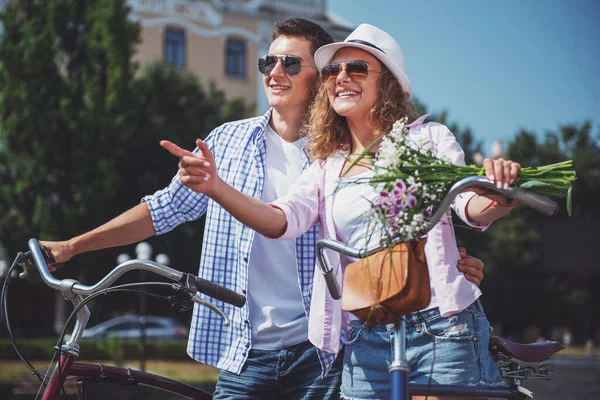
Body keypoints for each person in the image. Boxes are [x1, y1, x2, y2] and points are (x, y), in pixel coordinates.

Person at [42, 18, 486, 399]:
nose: (274, 72)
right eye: (266, 62)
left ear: (319, 78)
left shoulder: (340, 155)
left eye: (290, 63)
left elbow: (401, 222)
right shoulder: (227, 143)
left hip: (327, 351)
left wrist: (445, 264)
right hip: (245, 350)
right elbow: (163, 210)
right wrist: (72, 246)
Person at [162, 24, 520, 400]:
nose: (341, 77)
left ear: (389, 83)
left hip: (439, 327)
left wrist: (502, 192)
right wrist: (216, 188)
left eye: (357, 69)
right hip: (365, 335)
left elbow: (469, 206)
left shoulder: (427, 140)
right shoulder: (325, 166)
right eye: (333, 71)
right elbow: (279, 220)